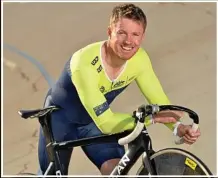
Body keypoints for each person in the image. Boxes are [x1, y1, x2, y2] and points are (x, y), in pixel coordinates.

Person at [38, 3, 201, 175]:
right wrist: (152, 119)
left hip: (92, 122)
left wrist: (178, 127)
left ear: (142, 36)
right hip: (61, 120)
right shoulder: (84, 64)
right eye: (122, 33)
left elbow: (161, 104)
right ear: (110, 32)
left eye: (135, 34)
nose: (128, 41)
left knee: (117, 170)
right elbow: (107, 123)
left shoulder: (140, 60)